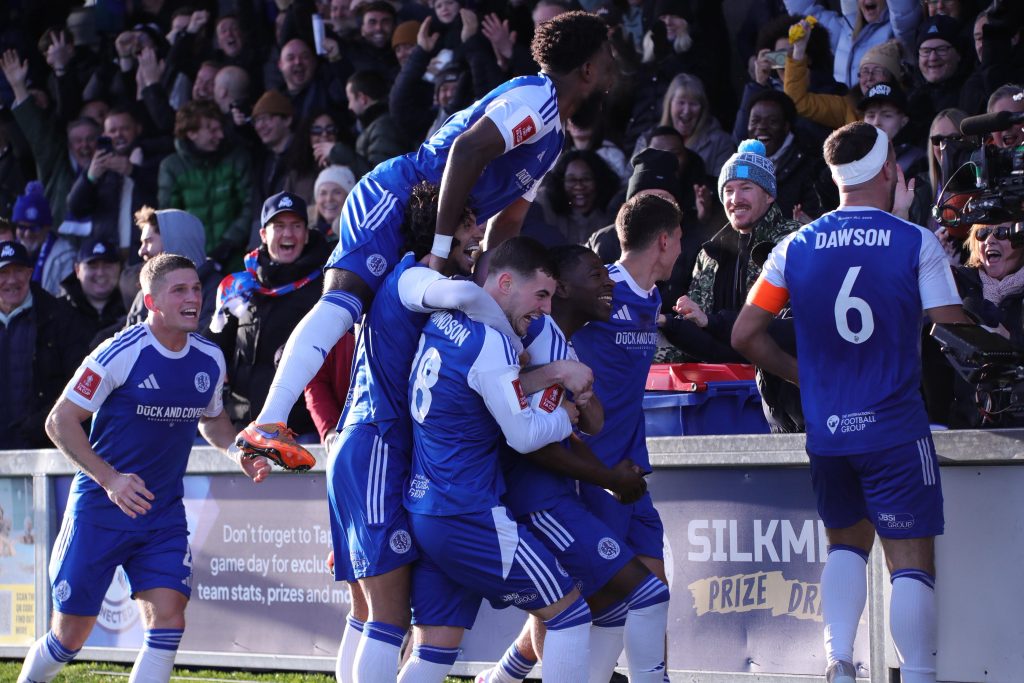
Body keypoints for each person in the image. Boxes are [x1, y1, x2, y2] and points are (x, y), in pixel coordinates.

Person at [236, 11, 615, 467]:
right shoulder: (537, 97)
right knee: (344, 302)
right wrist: (439, 254)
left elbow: (506, 225)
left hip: (438, 226)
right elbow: (467, 149)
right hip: (398, 195)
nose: (616, 72)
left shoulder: (552, 141)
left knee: (388, 336)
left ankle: (357, 444)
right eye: (609, 58)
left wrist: (486, 286)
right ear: (588, 69)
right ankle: (270, 421)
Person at [731, 121, 971, 683]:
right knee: (910, 565)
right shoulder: (914, 241)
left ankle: (840, 667)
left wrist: (806, 379)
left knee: (845, 547)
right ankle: (917, 675)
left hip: (830, 429)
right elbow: (952, 330)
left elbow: (744, 334)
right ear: (889, 169)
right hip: (894, 427)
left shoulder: (796, 246)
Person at [16, 253, 270, 683]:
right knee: (68, 639)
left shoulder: (209, 357)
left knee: (169, 621)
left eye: (196, 289)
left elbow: (213, 421)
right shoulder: (119, 351)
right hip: (100, 509)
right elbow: (59, 421)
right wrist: (110, 479)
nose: (194, 299)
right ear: (151, 301)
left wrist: (237, 452)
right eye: (180, 291)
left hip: (162, 513)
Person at [331, 181, 503, 682]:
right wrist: (514, 340)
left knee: (366, 609)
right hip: (377, 443)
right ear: (445, 229)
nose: (480, 234)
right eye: (472, 223)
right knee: (386, 615)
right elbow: (467, 291)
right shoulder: (411, 278)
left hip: (365, 444)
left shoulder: (414, 282)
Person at [400, 236, 589, 683]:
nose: (544, 309)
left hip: (427, 510)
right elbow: (523, 436)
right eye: (540, 295)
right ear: (504, 282)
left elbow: (480, 384)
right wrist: (565, 417)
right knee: (571, 615)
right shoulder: (492, 341)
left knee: (434, 652)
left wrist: (552, 372)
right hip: (469, 514)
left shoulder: (443, 321)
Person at [482, 243, 667, 683]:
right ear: (561, 288)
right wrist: (605, 476)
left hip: (557, 498)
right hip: (537, 501)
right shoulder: (531, 335)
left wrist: (578, 392)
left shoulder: (562, 343)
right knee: (637, 597)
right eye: (596, 274)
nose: (609, 283)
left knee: (613, 606)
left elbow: (590, 423)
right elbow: (530, 441)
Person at [571, 194, 683, 677]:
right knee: (598, 610)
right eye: (679, 240)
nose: (682, 248)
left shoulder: (652, 296)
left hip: (633, 477)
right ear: (663, 241)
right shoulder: (598, 292)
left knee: (653, 594)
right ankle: (510, 670)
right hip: (594, 477)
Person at [208, 192, 331, 438]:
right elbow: (214, 348)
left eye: (296, 226)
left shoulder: (326, 288)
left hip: (299, 431)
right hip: (242, 428)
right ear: (263, 234)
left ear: (306, 235)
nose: (288, 234)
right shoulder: (240, 287)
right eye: (279, 226)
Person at [665, 140, 800, 363]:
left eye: (746, 188)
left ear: (769, 195)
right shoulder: (709, 253)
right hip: (721, 386)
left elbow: (788, 327)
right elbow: (696, 328)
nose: (735, 200)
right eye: (728, 190)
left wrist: (710, 321)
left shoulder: (794, 242)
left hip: (780, 383)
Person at [0, 241, 88, 451]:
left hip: (44, 450)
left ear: (30, 273)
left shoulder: (60, 317)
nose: (12, 280)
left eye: (19, 271)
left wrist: (41, 424)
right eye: (4, 272)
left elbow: (79, 384)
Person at [157, 99, 252, 271]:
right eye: (212, 130)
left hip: (237, 261)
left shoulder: (237, 158)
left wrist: (229, 244)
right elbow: (169, 219)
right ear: (192, 133)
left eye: (220, 129)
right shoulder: (172, 167)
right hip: (193, 266)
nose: (220, 135)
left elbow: (250, 205)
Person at [13, 181, 76, 298]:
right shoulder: (6, 253)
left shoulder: (65, 255)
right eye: (22, 227)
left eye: (34, 228)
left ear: (47, 228)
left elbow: (67, 299)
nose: (27, 234)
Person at [60, 239, 126, 349]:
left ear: (119, 268)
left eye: (107, 266)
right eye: (92, 266)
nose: (100, 273)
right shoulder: (58, 312)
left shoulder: (132, 310)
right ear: (77, 270)